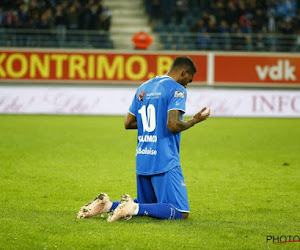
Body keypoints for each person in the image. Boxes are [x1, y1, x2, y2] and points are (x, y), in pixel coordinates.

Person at [77, 56, 210, 222]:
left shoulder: (144, 87)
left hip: (143, 157)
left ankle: (107, 205)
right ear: (184, 73)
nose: (186, 85)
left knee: (150, 205)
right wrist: (193, 121)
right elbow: (173, 125)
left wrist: (155, 127)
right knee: (180, 211)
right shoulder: (177, 89)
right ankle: (131, 207)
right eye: (188, 81)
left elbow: (128, 123)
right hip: (164, 158)